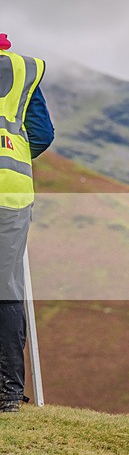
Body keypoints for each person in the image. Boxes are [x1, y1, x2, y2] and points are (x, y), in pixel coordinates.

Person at [0, 33, 55, 412]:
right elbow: (42, 133)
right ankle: (7, 393)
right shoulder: (23, 68)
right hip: (12, 191)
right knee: (6, 288)